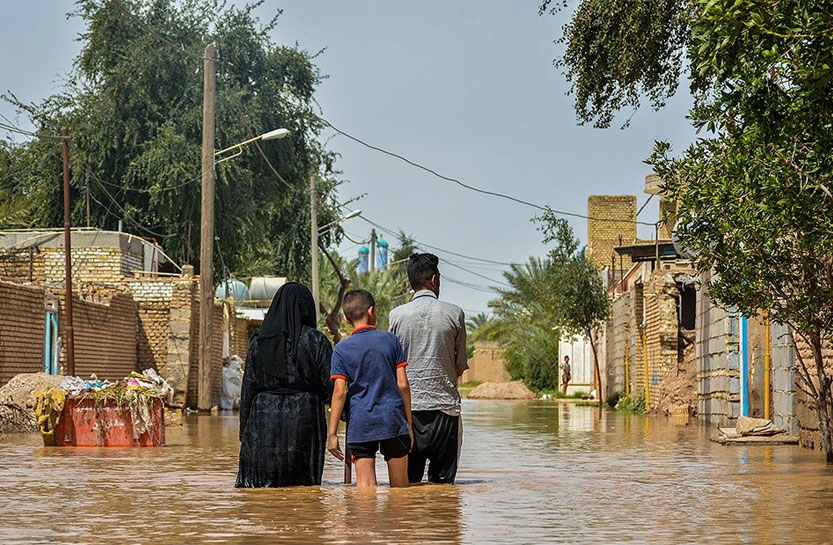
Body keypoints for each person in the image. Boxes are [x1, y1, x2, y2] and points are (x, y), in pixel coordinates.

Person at [235, 282, 333, 488]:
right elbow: (330, 386)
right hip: (305, 417)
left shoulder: (259, 342)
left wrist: (244, 431)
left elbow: (248, 389)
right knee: (304, 487)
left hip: (262, 418)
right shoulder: (316, 341)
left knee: (262, 488)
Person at [389, 253, 468, 484]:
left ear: (410, 283)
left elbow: (394, 365)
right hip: (446, 410)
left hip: (408, 412)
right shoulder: (455, 314)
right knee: (443, 490)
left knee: (408, 485)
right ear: (434, 279)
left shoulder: (396, 316)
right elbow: (459, 366)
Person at [327, 289, 413, 488]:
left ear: (347, 320)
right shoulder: (390, 340)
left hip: (361, 423)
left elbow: (340, 392)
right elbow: (403, 385)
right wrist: (408, 424)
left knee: (365, 490)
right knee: (400, 490)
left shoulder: (341, 350)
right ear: (372, 311)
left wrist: (332, 435)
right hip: (392, 419)